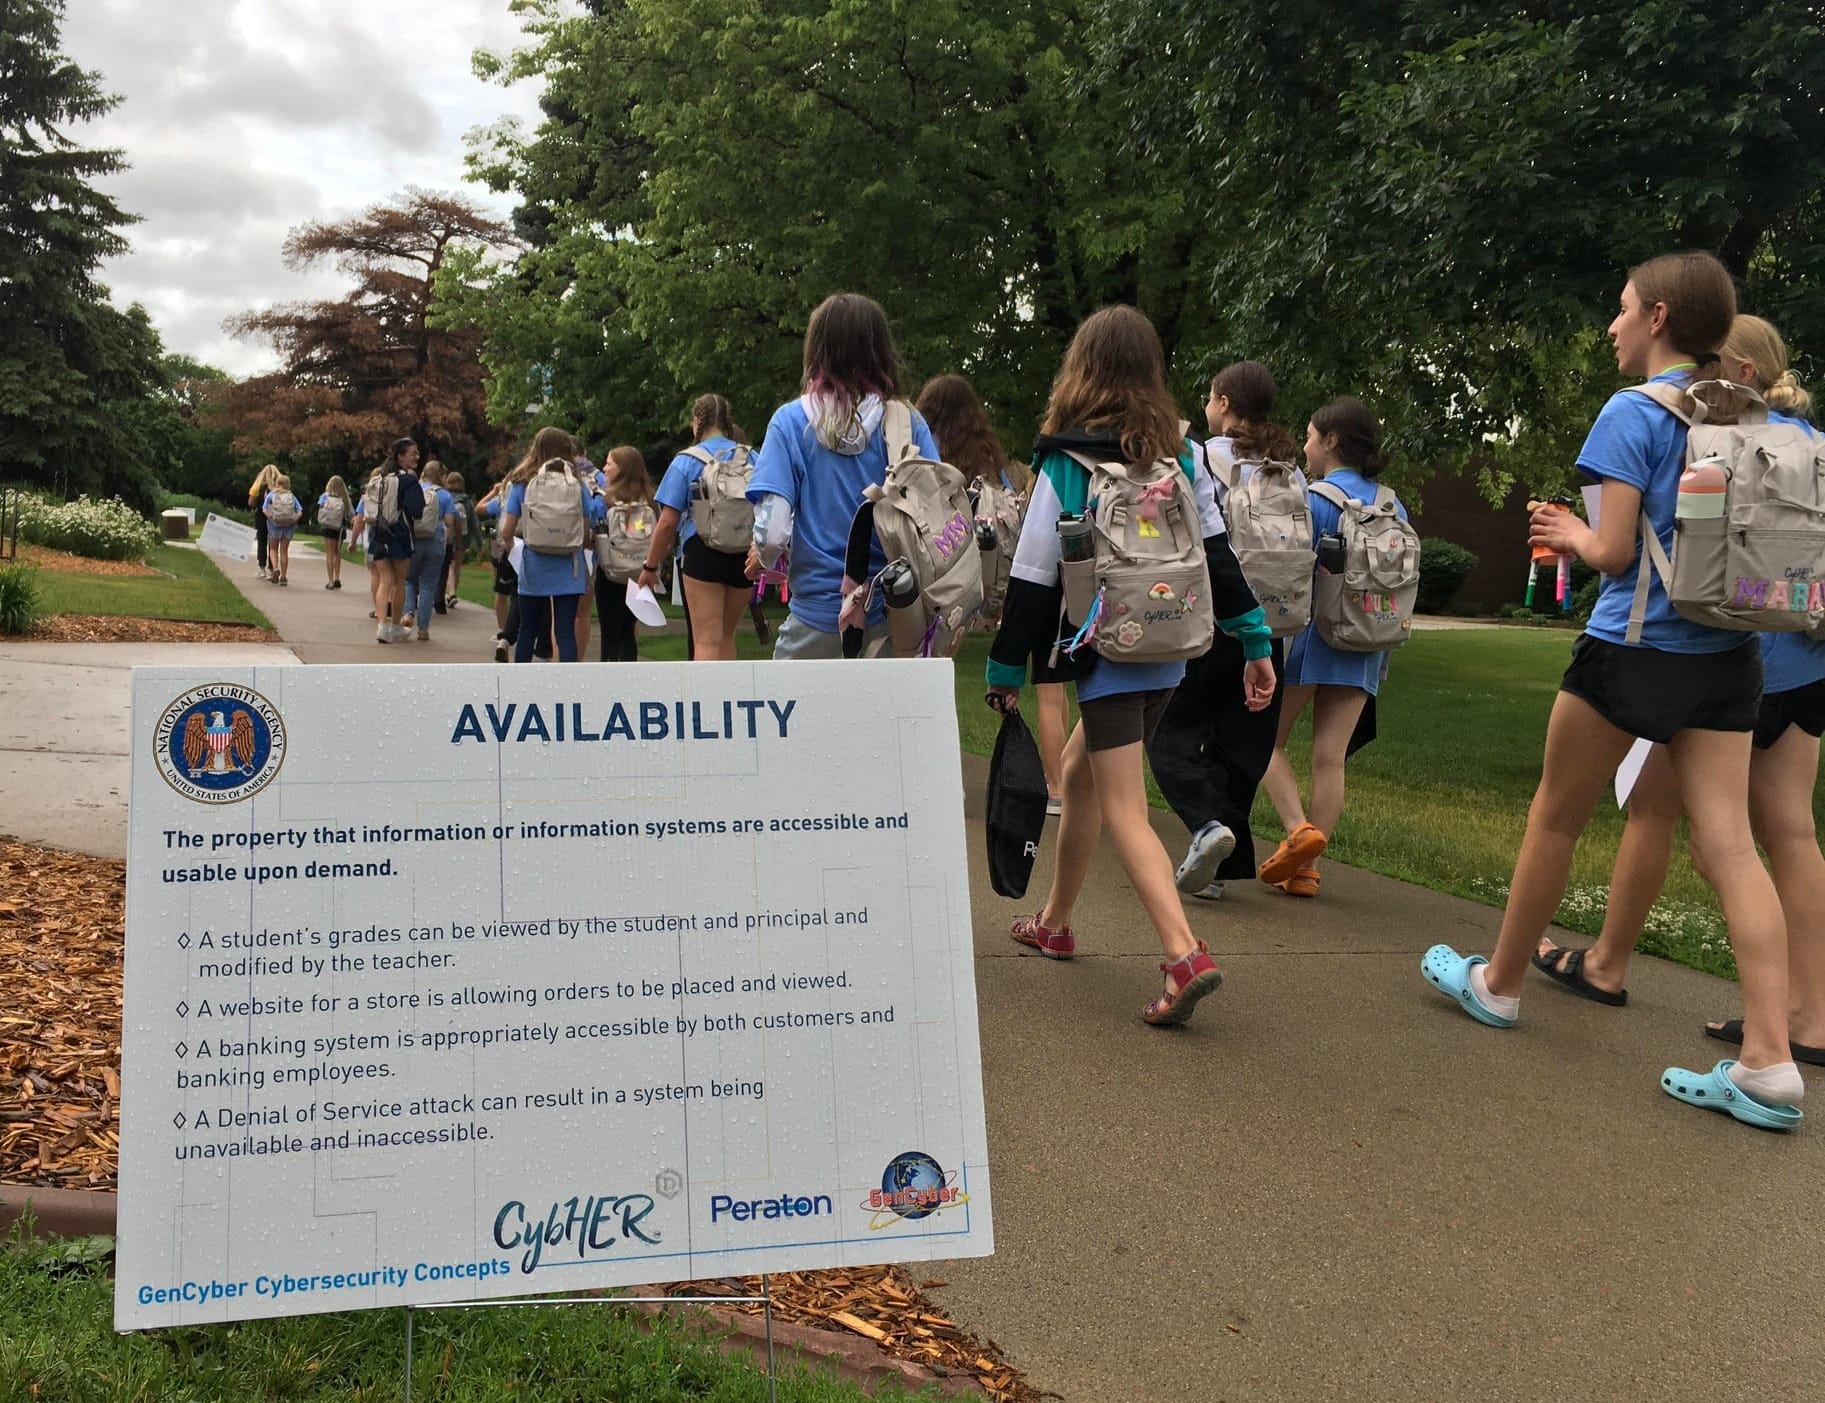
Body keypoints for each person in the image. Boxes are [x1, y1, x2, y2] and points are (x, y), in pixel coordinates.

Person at [1421, 251, 1804, 1130]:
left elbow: (1615, 553)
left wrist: (1566, 528)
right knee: (1735, 849)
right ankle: (1770, 1062)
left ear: (1659, 316)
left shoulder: (1629, 413)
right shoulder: (1748, 416)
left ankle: (1500, 984)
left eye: (1622, 307)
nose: (1612, 323)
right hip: (1731, 654)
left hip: (1631, 650)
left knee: (1554, 816)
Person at [1532, 317, 1825, 1055]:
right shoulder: (1807, 443)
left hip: (1725, 652)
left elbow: (1624, 546)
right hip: (1807, 651)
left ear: (1741, 371)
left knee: (1659, 817)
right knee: (1789, 832)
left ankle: (1605, 962)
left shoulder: (1711, 431)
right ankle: (1809, 1015)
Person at [984, 305, 1274, 1028]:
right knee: (1080, 772)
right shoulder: (1178, 460)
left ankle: (1183, 955)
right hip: (1171, 649)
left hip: (1105, 651)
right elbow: (1216, 559)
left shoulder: (1063, 460)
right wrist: (1256, 641)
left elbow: (1030, 579)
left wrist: (1001, 668)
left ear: (1080, 369)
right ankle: (1054, 921)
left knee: (1122, 806)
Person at [1149, 361, 1297, 899]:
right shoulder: (1289, 466)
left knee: (1172, 735)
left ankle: (1206, 830)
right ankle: (1225, 858)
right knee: (1241, 742)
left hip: (1213, 614)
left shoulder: (1206, 454)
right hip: (1273, 622)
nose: (1207, 407)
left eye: (1211, 398)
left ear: (1226, 403)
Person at [1256, 397, 1405, 899]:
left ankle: (1299, 830)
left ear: (1332, 442)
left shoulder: (1315, 498)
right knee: (1330, 759)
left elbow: (1287, 573)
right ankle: (1306, 871)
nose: (1305, 445)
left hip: (1313, 637)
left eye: (1311, 435)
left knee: (1265, 741)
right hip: (1367, 639)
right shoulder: (1391, 503)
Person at [745, 293, 941, 658]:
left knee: (796, 715)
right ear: (881, 350)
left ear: (816, 349)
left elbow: (772, 534)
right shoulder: (908, 423)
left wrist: (763, 558)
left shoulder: (790, 423)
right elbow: (936, 520)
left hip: (815, 619)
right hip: (897, 616)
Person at [917, 373, 1066, 808]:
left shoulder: (932, 464)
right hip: (1008, 581)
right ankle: (1057, 786)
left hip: (944, 583)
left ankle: (937, 780)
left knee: (931, 675)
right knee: (1051, 686)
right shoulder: (995, 465)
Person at [639, 395, 755, 661]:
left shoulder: (687, 461)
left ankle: (708, 702)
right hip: (744, 554)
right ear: (728, 422)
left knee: (706, 640)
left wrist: (650, 566)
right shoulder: (752, 457)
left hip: (702, 551)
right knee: (727, 636)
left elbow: (667, 523)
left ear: (696, 422)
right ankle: (730, 699)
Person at [497, 429, 602, 663]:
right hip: (569, 567)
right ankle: (566, 690)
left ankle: (523, 686)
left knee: (528, 629)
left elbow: (507, 529)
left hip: (534, 564)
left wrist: (509, 544)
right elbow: (584, 533)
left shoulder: (523, 482)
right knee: (564, 632)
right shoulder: (577, 485)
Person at [367, 438, 426, 645]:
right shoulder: (408, 480)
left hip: (379, 532)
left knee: (385, 580)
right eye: (413, 453)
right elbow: (417, 510)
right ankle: (394, 626)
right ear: (401, 456)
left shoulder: (380, 478)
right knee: (399, 581)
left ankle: (381, 625)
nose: (416, 457)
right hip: (400, 533)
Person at [596, 445, 652, 661]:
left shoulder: (605, 501)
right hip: (639, 573)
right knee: (628, 629)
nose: (605, 468)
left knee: (609, 632)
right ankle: (630, 677)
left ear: (622, 468)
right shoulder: (649, 500)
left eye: (609, 463)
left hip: (610, 572)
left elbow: (594, 535)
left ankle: (607, 678)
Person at [401, 460, 456, 641]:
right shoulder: (445, 496)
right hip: (435, 541)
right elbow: (449, 521)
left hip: (414, 540)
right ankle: (423, 629)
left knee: (409, 580)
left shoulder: (415, 489)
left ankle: (408, 613)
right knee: (428, 585)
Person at [260, 472, 300, 585]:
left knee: (273, 549)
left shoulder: (271, 495)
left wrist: (272, 519)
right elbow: (300, 512)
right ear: (288, 485)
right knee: (284, 552)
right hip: (288, 527)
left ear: (277, 484)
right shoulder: (292, 496)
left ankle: (275, 568)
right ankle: (283, 576)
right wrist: (292, 521)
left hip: (274, 526)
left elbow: (264, 509)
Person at [442, 471, 473, 610]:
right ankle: (453, 593)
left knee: (448, 565)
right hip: (463, 536)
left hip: (447, 535)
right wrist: (478, 541)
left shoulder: (444, 496)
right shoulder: (466, 500)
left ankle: (450, 593)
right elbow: (474, 522)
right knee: (456, 567)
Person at [317, 475, 352, 590]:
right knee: (337, 553)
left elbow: (320, 508)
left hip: (327, 527)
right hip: (339, 528)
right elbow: (351, 514)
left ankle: (330, 581)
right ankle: (337, 578)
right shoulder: (345, 498)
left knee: (329, 553)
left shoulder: (325, 496)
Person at [248, 464, 281, 579]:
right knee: (274, 544)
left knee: (262, 542)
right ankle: (272, 568)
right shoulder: (280, 486)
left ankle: (262, 568)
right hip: (275, 518)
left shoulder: (257, 486)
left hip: (261, 516)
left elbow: (250, 502)